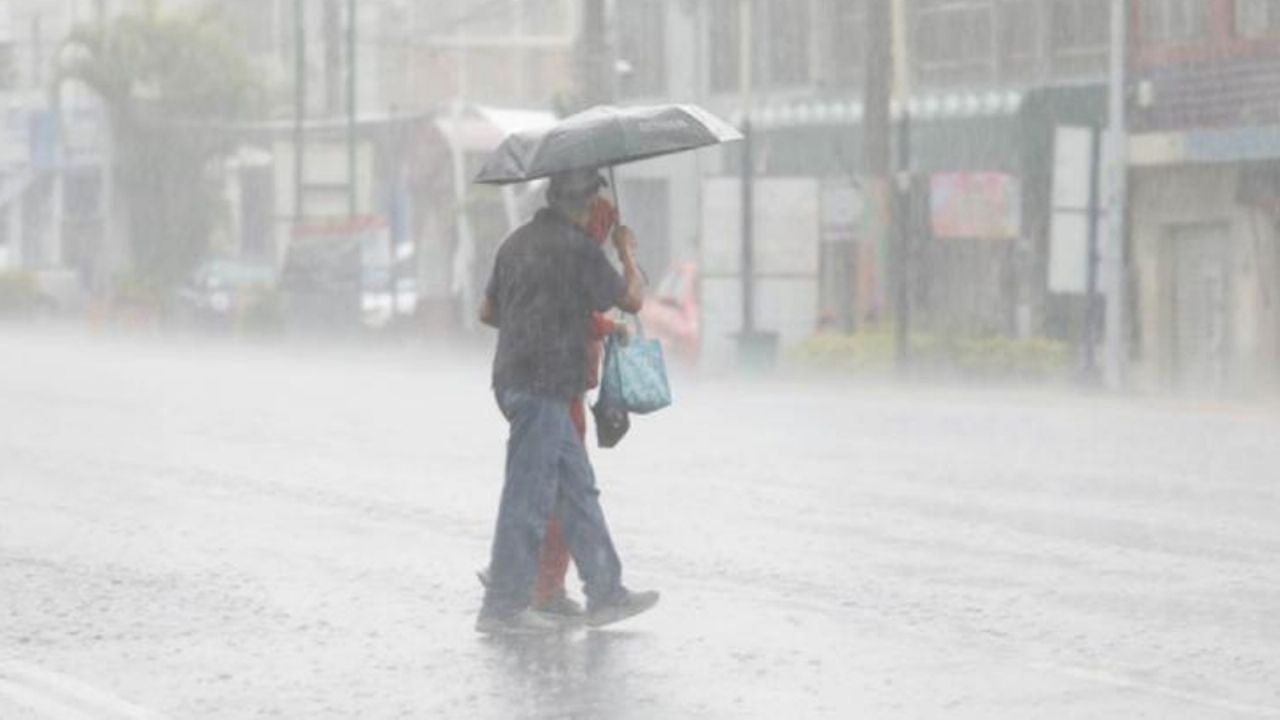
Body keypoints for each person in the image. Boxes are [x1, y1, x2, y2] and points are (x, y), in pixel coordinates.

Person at [476, 168, 659, 634]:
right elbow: (632, 300)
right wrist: (627, 253)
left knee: (577, 490)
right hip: (543, 387)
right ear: (585, 203)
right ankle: (503, 607)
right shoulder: (578, 249)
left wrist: (533, 317)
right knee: (528, 494)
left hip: (518, 380)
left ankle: (605, 592)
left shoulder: (514, 243)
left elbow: (487, 312)